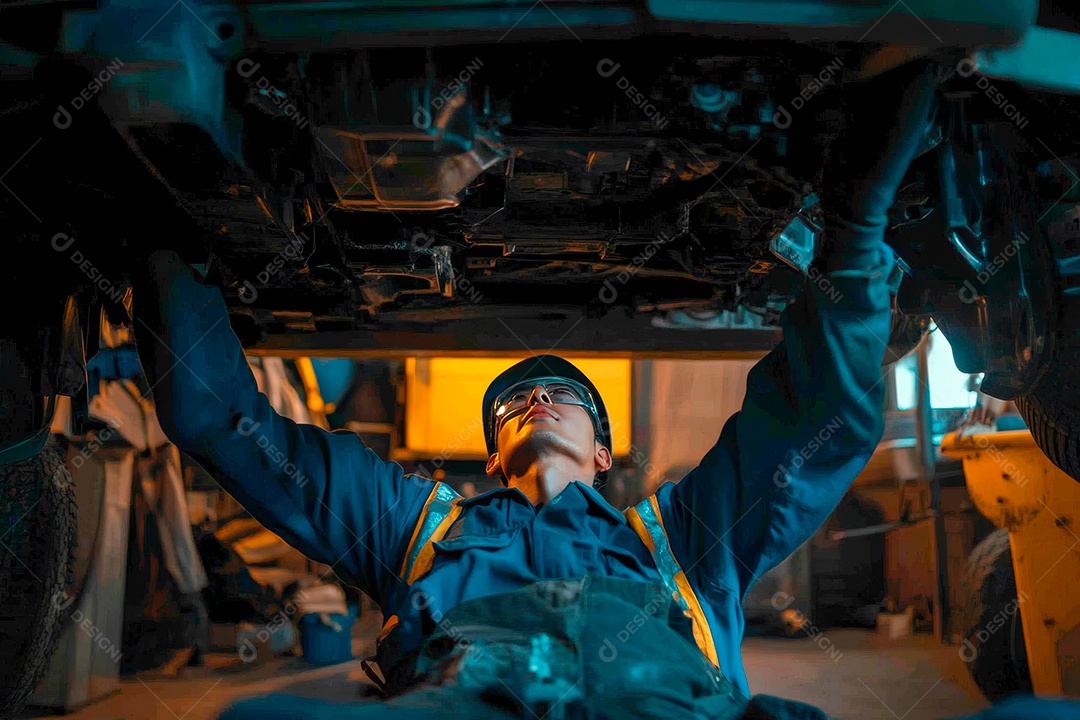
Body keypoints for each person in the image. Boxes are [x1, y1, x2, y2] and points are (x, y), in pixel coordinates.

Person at [130, 61, 937, 719]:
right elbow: (221, 419)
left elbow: (813, 423)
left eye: (564, 395)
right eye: (512, 403)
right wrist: (175, 238)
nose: (535, 399)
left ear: (603, 448)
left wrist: (855, 229)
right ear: (493, 451)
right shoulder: (418, 529)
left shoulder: (681, 542)